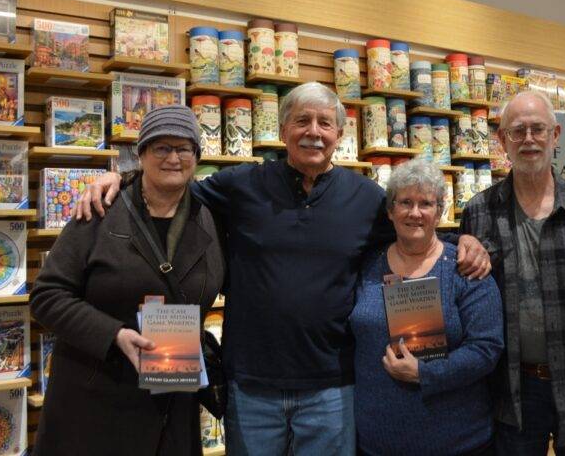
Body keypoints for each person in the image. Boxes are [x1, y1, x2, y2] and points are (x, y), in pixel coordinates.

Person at [75, 82, 490, 456]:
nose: (314, 131)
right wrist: (121, 179)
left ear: (340, 135)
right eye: (302, 121)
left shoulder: (365, 198)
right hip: (251, 384)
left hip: (332, 386)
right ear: (282, 130)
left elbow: (413, 231)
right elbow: (171, 181)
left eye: (325, 123)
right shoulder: (240, 185)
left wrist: (461, 242)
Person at [31, 105, 225, 456]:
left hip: (173, 398)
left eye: (183, 148)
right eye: (161, 147)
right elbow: (46, 295)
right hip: (96, 398)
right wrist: (114, 335)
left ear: (196, 156)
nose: (173, 158)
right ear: (142, 153)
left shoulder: (210, 218)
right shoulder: (101, 209)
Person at [459, 90, 565, 455]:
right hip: (510, 394)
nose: (528, 140)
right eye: (517, 131)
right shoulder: (479, 213)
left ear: (555, 135)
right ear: (501, 140)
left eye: (537, 129)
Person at [350, 159, 504, 455]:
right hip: (376, 442)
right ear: (390, 210)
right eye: (405, 202)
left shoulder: (466, 268)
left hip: (456, 442)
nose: (415, 212)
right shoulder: (368, 265)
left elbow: (486, 347)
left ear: (439, 211)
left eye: (426, 203)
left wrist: (425, 373)